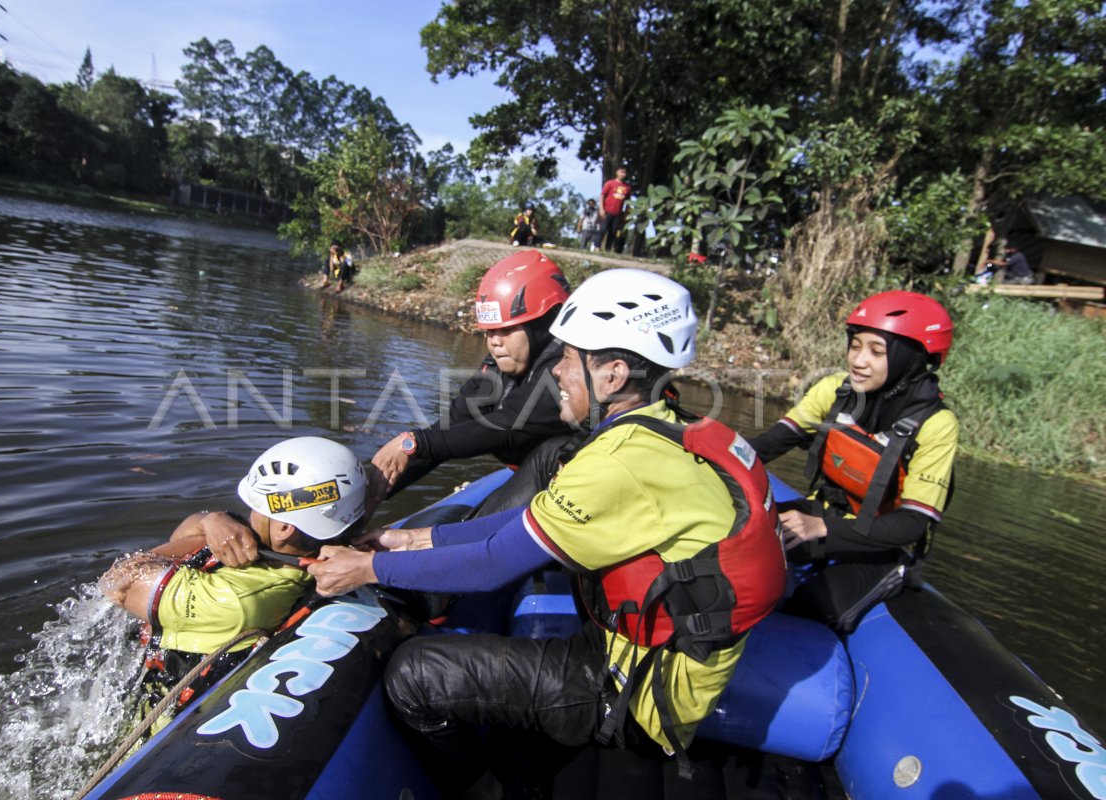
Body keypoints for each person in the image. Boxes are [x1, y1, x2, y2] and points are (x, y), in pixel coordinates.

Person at [307, 269, 786, 796]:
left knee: (414, 674)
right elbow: (526, 522)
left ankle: (479, 791)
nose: (555, 370)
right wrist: (409, 540)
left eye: (567, 357)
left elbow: (494, 563)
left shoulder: (618, 464)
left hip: (637, 689)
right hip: (648, 651)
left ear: (613, 374)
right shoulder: (668, 425)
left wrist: (371, 567)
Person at [99, 437, 366, 728]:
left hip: (149, 732)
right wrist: (210, 521)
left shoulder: (233, 600)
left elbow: (118, 581)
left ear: (285, 529)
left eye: (256, 509)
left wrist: (205, 537)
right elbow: (180, 537)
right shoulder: (301, 563)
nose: (248, 516)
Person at [748, 290, 958, 631]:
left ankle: (894, 576)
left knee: (814, 606)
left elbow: (913, 524)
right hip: (824, 513)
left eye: (876, 351)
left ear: (912, 358)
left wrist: (822, 528)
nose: (858, 360)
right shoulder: (834, 390)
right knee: (736, 547)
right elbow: (768, 446)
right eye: (855, 345)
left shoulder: (936, 425)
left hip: (881, 545)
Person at [364, 249, 573, 514]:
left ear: (544, 324)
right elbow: (455, 423)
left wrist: (415, 442)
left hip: (567, 482)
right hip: (529, 471)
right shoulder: (500, 363)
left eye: (507, 330)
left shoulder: (567, 371)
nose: (495, 342)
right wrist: (377, 490)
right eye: (489, 332)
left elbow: (506, 426)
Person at [600, 166, 632, 254]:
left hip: (618, 213)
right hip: (607, 211)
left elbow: (628, 202)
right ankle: (596, 246)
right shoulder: (610, 183)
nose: (622, 174)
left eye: (624, 172)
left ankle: (608, 248)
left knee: (613, 231)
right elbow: (602, 196)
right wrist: (601, 209)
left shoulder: (627, 188)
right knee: (603, 229)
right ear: (617, 172)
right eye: (621, 172)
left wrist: (626, 214)